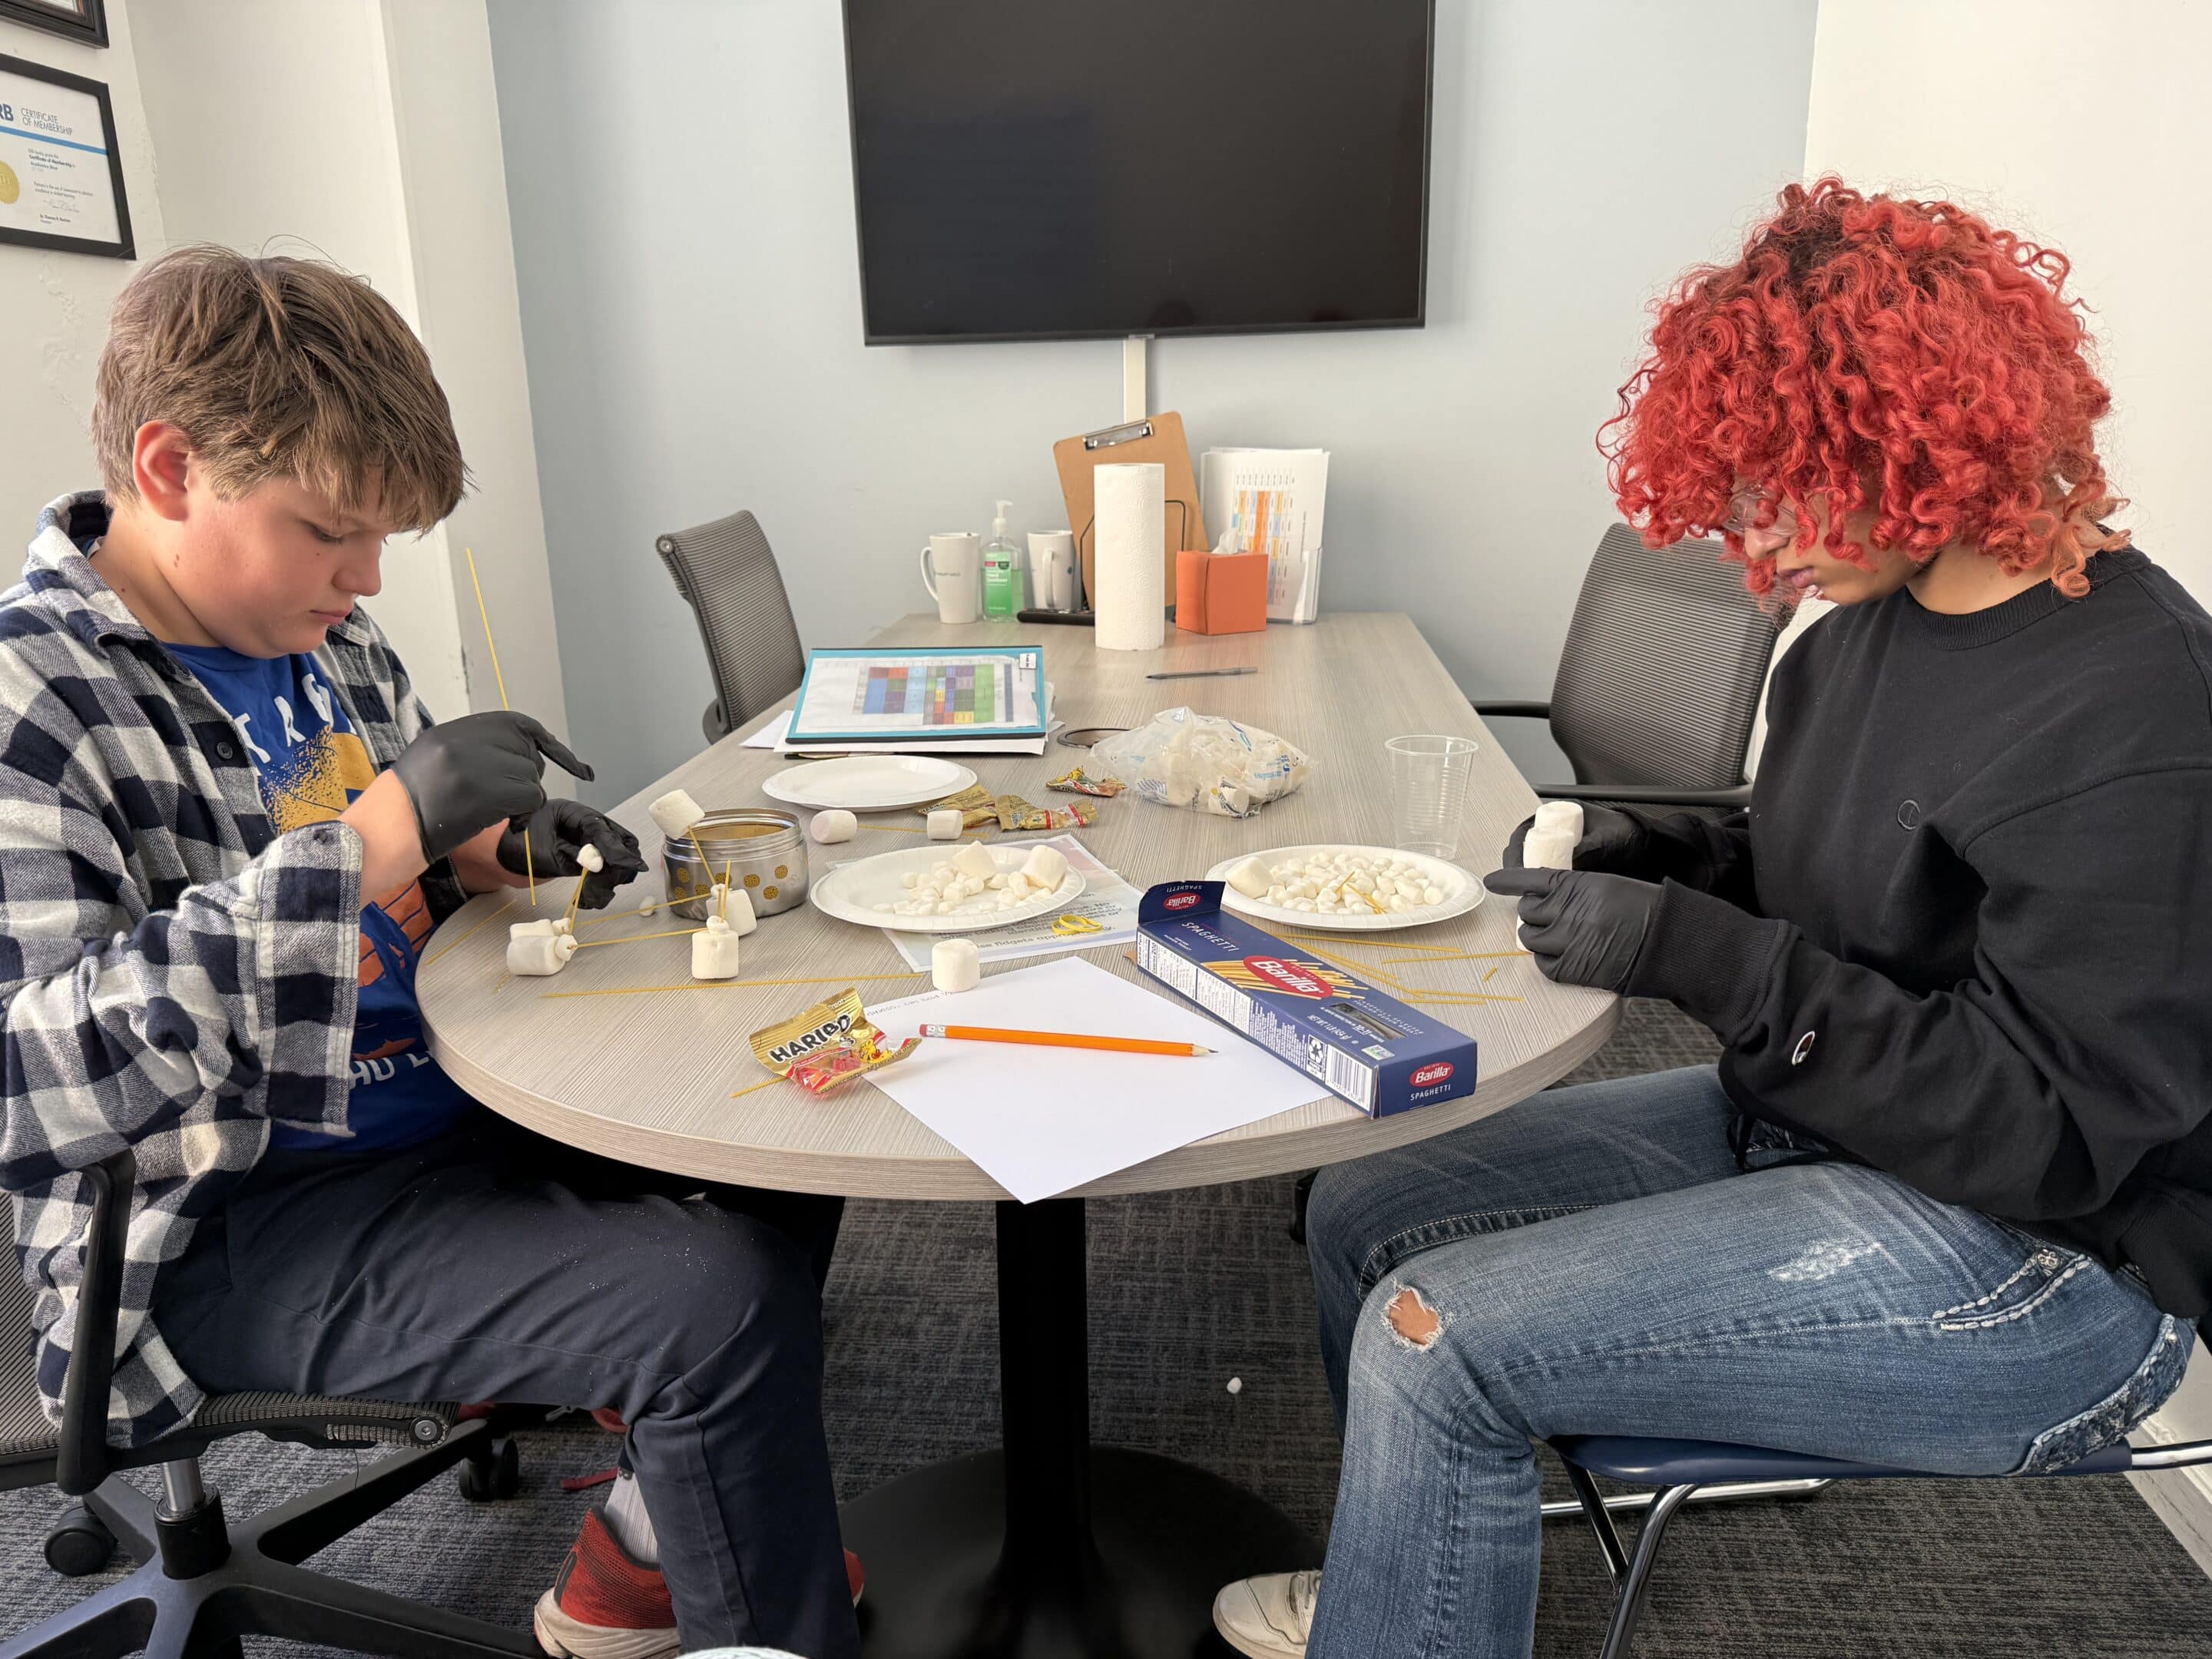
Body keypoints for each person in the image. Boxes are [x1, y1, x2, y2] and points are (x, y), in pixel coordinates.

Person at [1212, 178, 2210, 1659]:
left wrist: (1696, 954)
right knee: (1365, 1205)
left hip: (2045, 1267)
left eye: (1786, 480)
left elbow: (2051, 1133)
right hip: (1838, 1129)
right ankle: (1412, 1587)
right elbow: (1830, 864)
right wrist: (1653, 850)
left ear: (1917, 432)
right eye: (1740, 484)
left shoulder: (2132, 707)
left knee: (1443, 1339)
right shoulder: (1862, 632)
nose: (1755, 541)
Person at [0, 247, 862, 1659]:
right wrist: (374, 844)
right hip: (228, 1220)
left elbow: (402, 870)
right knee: (717, 1304)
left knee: (779, 1109)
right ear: (168, 469)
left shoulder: (324, 637)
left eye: (383, 537)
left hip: (456, 1098)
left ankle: (651, 1552)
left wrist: (489, 856)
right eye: (329, 529)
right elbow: (34, 1081)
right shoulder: (33, 696)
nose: (366, 574)